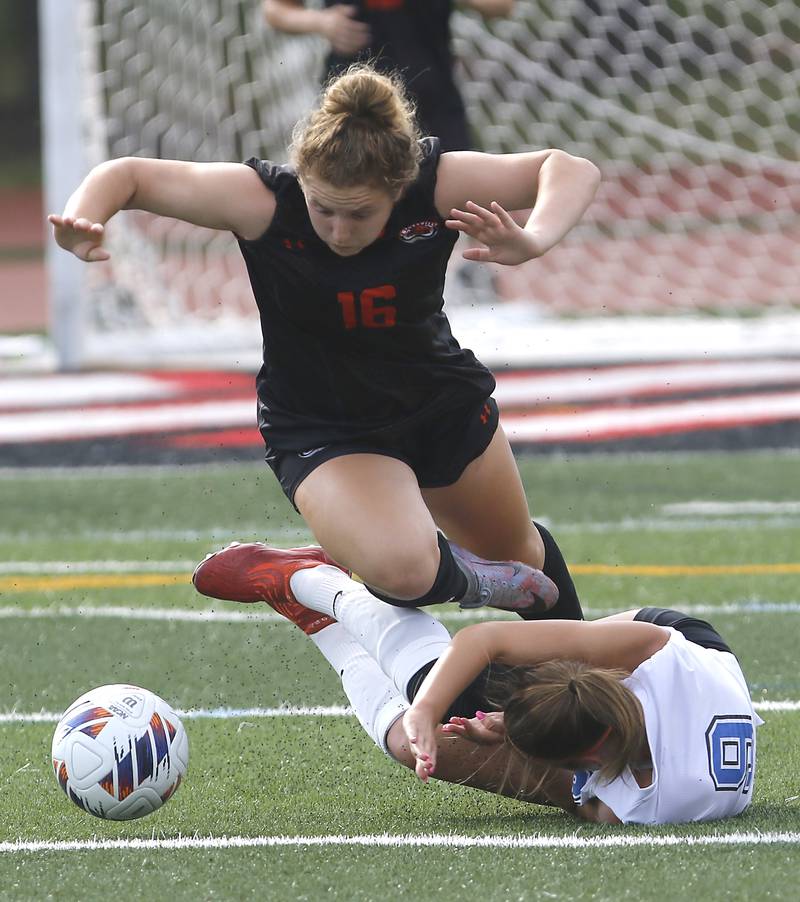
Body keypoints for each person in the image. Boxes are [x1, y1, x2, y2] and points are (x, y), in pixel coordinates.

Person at [48, 64, 600, 619]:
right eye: (322, 208)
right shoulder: (263, 201)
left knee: (521, 556)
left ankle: (580, 683)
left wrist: (534, 238)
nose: (337, 230)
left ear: (397, 189)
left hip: (439, 402)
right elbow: (128, 176)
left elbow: (568, 168)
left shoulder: (434, 184)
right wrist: (82, 217)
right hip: (325, 426)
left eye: (360, 214)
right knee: (405, 570)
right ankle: (404, 577)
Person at [193, 544, 764, 825]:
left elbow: (594, 803)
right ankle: (311, 579)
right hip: (690, 646)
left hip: (654, 721)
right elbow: (481, 642)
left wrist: (445, 730)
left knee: (411, 746)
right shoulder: (659, 655)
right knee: (447, 694)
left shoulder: (642, 805)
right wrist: (429, 707)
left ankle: (318, 623)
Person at [263, 1, 515, 152]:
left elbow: (500, 6)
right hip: (354, 102)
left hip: (432, 98)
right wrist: (321, 22)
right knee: (351, 197)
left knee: (456, 201)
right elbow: (276, 9)